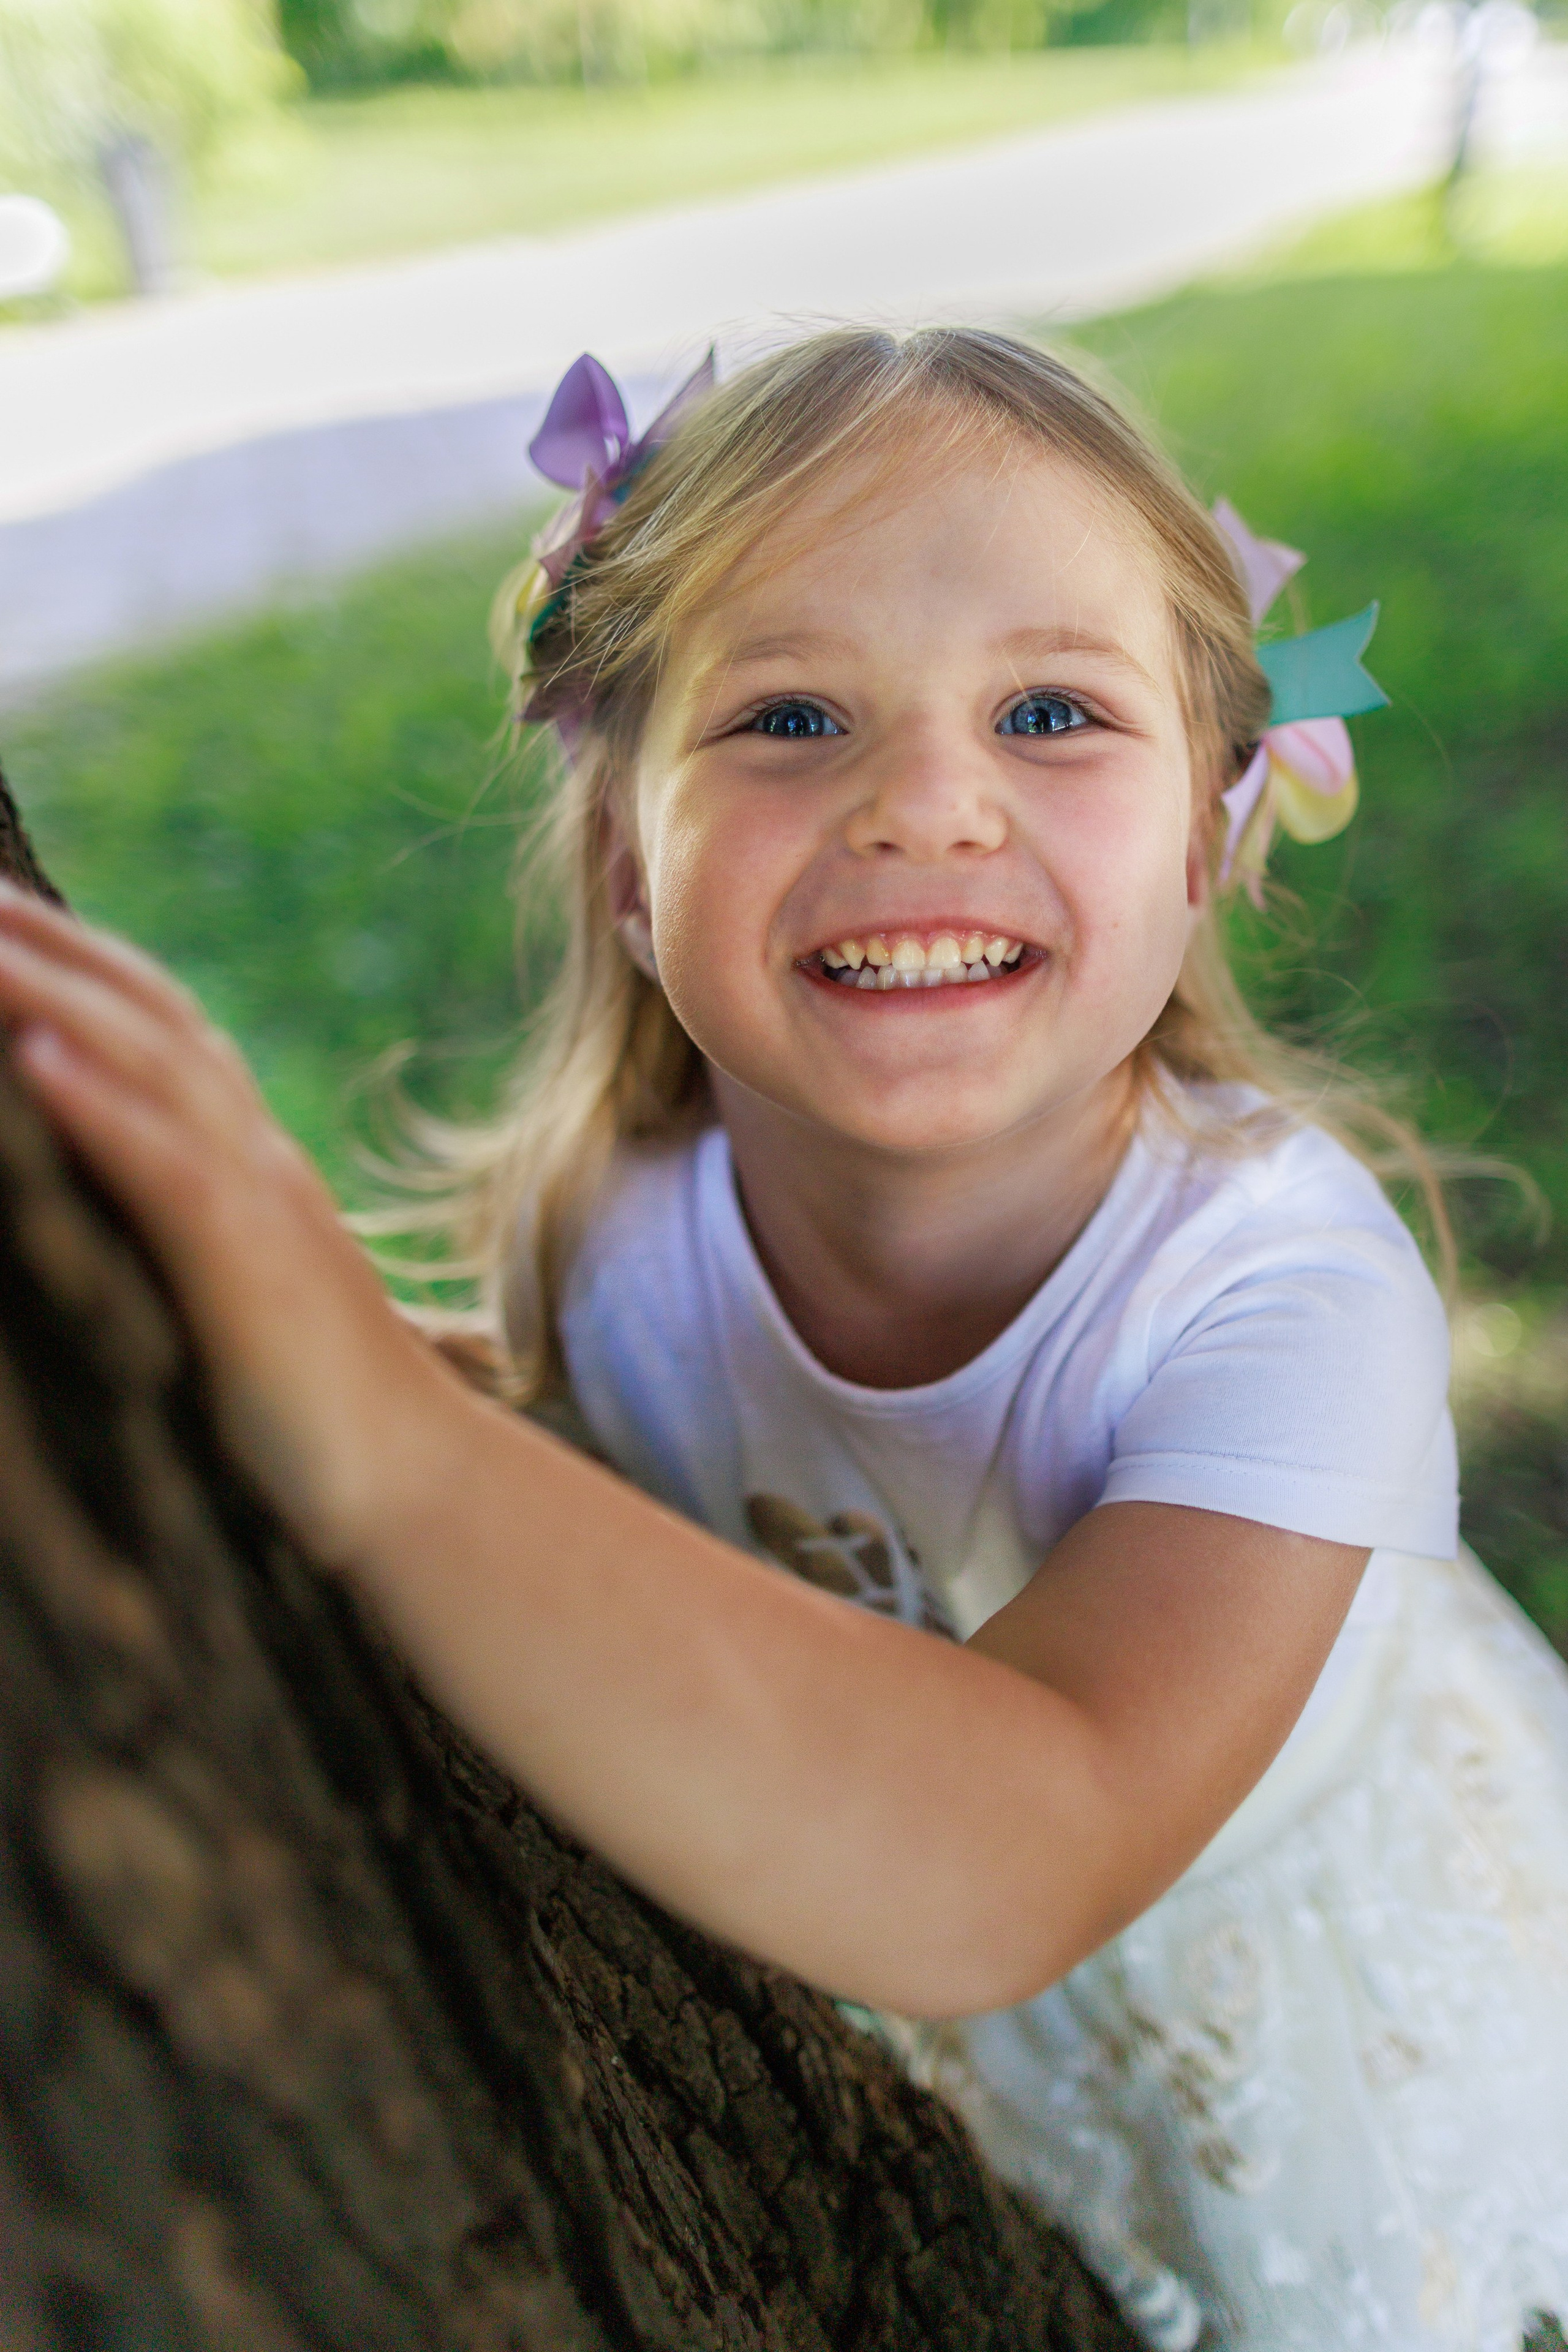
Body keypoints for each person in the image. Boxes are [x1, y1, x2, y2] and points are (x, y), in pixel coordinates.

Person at [2, 325, 1566, 2351]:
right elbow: (584, 1531)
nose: (926, 799)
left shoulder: (1282, 1299)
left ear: (1205, 837)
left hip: (1307, 2030)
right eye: (795, 714)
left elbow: (1030, 1845)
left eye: (1050, 710)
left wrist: (378, 1433)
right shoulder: (616, 1243)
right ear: (633, 866)